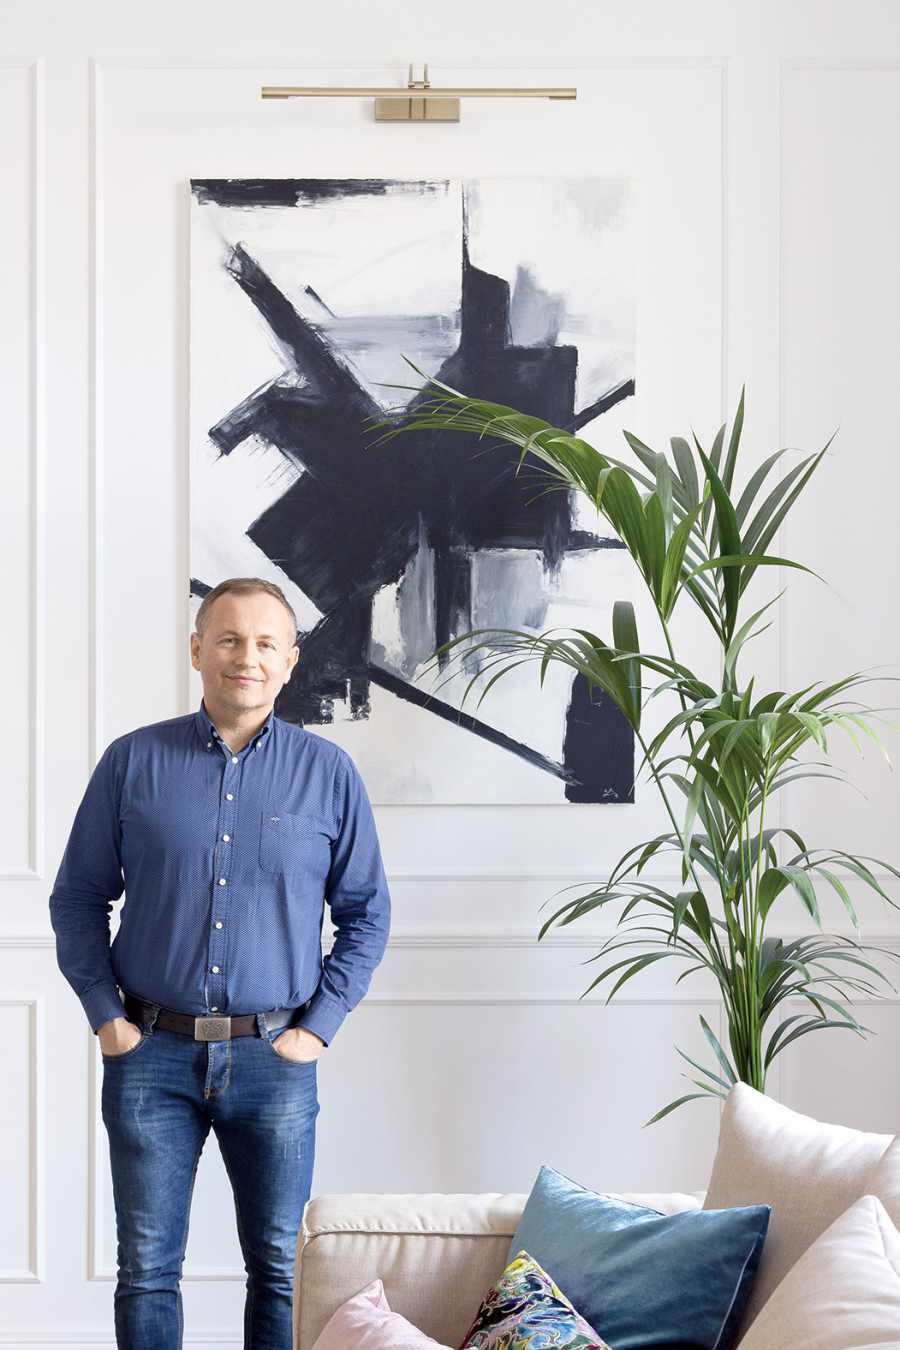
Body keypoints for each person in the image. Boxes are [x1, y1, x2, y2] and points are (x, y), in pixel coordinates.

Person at [48, 576, 391, 1350]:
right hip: (150, 1053)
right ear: (198, 649)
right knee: (146, 1270)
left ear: (291, 661)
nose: (248, 657)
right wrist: (106, 1018)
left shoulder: (329, 773)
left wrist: (317, 1028)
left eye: (267, 643)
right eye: (230, 639)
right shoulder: (133, 761)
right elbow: (78, 898)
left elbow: (368, 913)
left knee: (278, 1270)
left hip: (274, 1058)